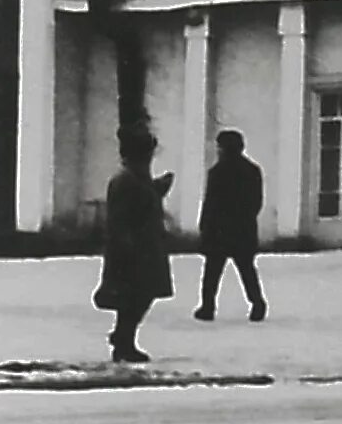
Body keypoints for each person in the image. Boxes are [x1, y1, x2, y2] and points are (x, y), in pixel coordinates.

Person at [93, 125, 175, 364]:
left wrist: (158, 188)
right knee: (135, 296)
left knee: (138, 296)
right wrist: (127, 246)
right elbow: (122, 217)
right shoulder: (126, 180)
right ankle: (124, 341)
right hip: (135, 250)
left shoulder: (136, 178)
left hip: (144, 247)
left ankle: (123, 338)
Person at [194, 129, 267, 322]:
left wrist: (205, 228)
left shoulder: (217, 172)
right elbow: (256, 202)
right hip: (243, 229)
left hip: (219, 231)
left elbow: (210, 204)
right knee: (247, 270)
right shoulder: (252, 170)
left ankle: (207, 307)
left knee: (212, 272)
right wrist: (246, 219)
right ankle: (257, 303)